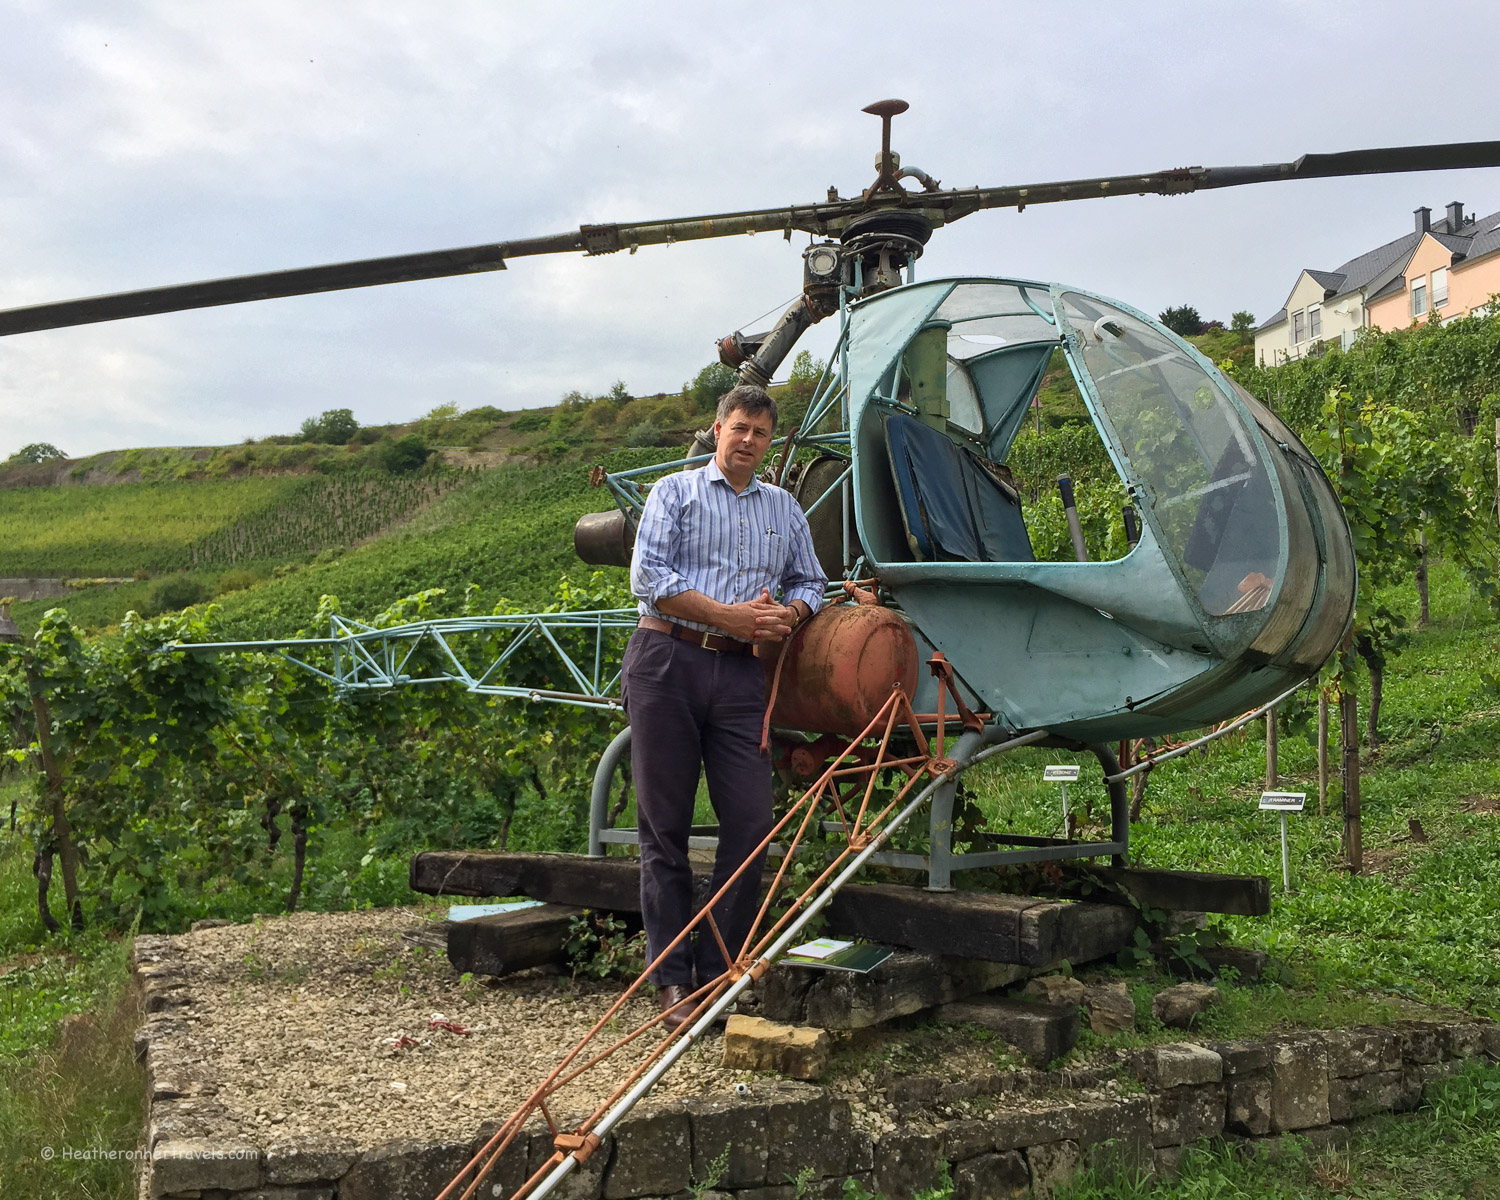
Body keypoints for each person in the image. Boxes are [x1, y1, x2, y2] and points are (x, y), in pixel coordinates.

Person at [624, 383, 827, 1029]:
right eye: (738, 428)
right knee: (666, 828)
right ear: (717, 430)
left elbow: (812, 581)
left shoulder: (784, 507)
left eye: (760, 433)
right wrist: (730, 617)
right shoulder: (674, 493)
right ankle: (671, 981)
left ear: (770, 444)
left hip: (741, 677)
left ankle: (718, 972)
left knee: (750, 823)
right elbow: (650, 578)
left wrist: (791, 613)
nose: (748, 440)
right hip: (667, 662)